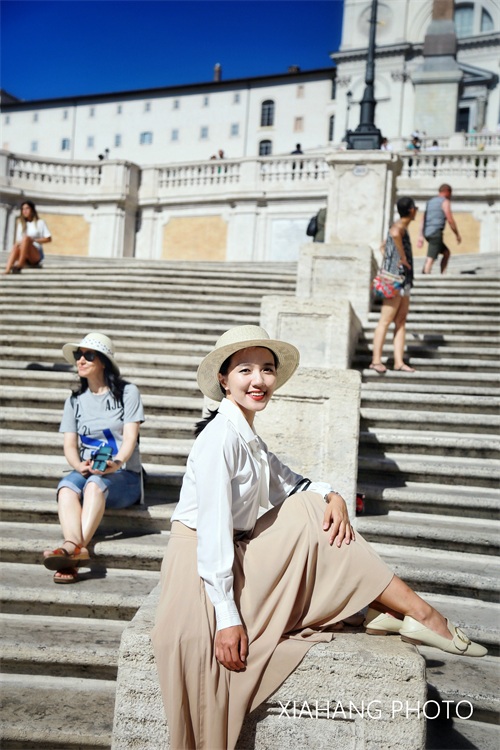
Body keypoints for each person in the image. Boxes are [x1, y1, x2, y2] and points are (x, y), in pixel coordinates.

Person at [152, 324, 486, 750]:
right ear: (223, 379)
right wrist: (227, 617)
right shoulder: (220, 439)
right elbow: (213, 532)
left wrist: (334, 495)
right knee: (310, 512)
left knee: (313, 505)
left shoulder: (246, 436)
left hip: (232, 555)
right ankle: (420, 614)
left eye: (267, 369)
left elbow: (292, 484)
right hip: (199, 573)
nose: (259, 380)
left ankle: (397, 611)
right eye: (245, 370)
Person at [43, 332, 145, 584]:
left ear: (103, 362)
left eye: (88, 356)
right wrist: (78, 465)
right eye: (78, 355)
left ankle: (70, 551)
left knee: (94, 485)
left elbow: (130, 439)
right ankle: (75, 549)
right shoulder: (75, 401)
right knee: (66, 487)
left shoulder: (127, 393)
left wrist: (115, 464)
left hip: (124, 475)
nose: (80, 360)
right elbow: (70, 444)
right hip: (88, 470)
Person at [370, 197, 417, 374]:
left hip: (404, 280)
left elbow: (383, 246)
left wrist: (391, 258)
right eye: (415, 208)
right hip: (394, 280)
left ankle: (399, 362)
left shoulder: (400, 226)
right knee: (385, 320)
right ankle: (376, 361)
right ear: (411, 210)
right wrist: (402, 258)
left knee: (401, 320)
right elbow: (395, 234)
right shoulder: (398, 226)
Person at [418, 183, 461, 274]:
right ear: (447, 192)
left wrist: (421, 236)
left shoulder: (430, 202)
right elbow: (450, 219)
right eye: (450, 194)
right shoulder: (445, 202)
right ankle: (425, 275)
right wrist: (457, 234)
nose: (451, 196)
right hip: (436, 232)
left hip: (427, 232)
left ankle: (443, 273)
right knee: (431, 257)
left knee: (446, 253)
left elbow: (423, 219)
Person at [3, 200, 51, 274]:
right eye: (23, 209)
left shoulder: (40, 222)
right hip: (23, 253)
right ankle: (7, 269)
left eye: (27, 208)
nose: (24, 211)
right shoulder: (21, 225)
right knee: (16, 245)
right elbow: (19, 241)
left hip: (35, 254)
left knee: (26, 238)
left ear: (32, 210)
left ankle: (20, 264)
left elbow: (48, 239)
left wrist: (33, 240)